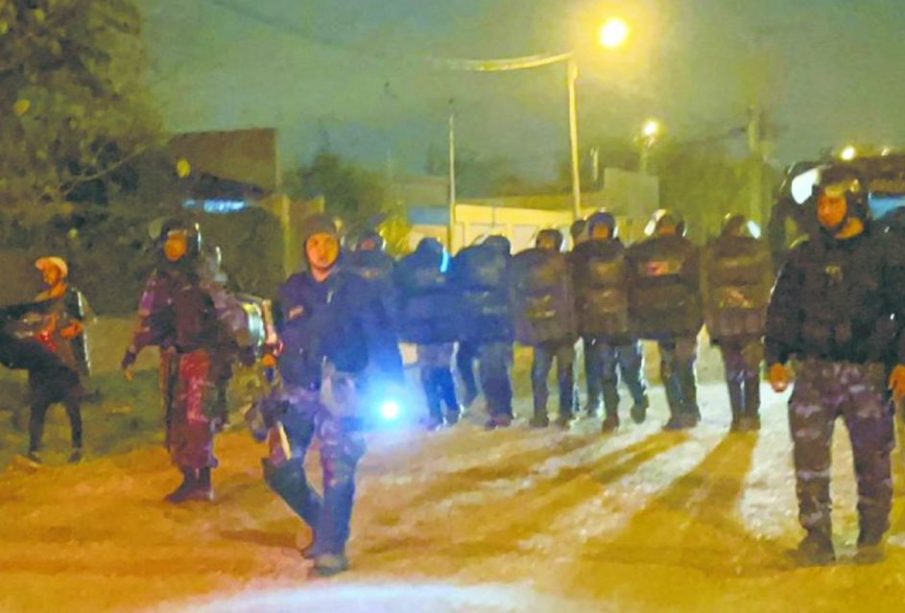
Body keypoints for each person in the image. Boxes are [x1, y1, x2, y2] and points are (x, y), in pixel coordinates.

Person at [766, 167, 905, 565]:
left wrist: (902, 361)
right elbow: (782, 310)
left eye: (834, 203)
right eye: (821, 203)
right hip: (813, 373)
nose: (825, 211)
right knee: (809, 461)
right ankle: (816, 538)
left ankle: (872, 536)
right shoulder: (804, 255)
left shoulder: (884, 253)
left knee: (874, 460)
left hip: (868, 374)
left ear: (855, 204)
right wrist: (775, 357)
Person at [265, 213, 403, 577]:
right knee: (280, 467)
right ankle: (323, 522)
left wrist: (392, 381)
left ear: (339, 244)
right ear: (304, 248)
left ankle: (331, 546)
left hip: (343, 389)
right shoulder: (291, 289)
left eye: (327, 241)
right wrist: (269, 360)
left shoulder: (358, 287)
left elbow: (382, 337)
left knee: (337, 468)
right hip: (298, 389)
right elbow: (275, 335)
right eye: (313, 243)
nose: (321, 250)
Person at [121, 219, 252, 503]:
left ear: (191, 243)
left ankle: (203, 481)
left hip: (204, 355)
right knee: (177, 420)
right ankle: (188, 479)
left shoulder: (205, 274)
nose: (172, 246)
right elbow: (147, 316)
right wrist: (132, 352)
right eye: (169, 240)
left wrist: (244, 344)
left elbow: (228, 310)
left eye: (178, 240)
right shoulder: (161, 278)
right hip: (174, 357)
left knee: (198, 419)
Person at [571, 212, 649, 433]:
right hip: (597, 323)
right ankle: (611, 415)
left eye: (604, 229)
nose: (599, 234)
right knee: (606, 371)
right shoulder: (582, 257)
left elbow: (635, 288)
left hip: (623, 322)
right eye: (596, 229)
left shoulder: (625, 255)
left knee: (630, 369)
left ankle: (639, 398)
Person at [627, 210, 703, 430]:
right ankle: (691, 408)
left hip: (659, 320)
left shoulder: (643, 252)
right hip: (685, 319)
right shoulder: (690, 250)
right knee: (685, 365)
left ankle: (677, 413)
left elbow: (632, 280)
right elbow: (698, 285)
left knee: (669, 366)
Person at [701, 214, 773, 432]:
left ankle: (737, 415)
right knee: (751, 368)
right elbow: (767, 283)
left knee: (732, 369)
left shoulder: (713, 253)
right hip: (752, 321)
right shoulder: (759, 251)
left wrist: (711, 317)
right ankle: (752, 414)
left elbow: (706, 288)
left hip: (725, 321)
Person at [24, 257, 90, 463]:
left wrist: (74, 329)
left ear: (59, 273)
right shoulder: (41, 298)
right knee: (38, 404)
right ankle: (34, 449)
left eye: (49, 272)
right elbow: (32, 323)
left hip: (65, 358)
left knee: (72, 403)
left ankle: (77, 447)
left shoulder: (72, 296)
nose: (46, 276)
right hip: (45, 359)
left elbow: (84, 320)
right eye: (44, 272)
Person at [511, 229, 576, 428]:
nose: (544, 246)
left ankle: (566, 412)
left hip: (563, 329)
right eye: (542, 242)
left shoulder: (565, 265)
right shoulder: (528, 267)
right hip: (541, 329)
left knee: (565, 373)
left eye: (549, 242)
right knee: (539, 373)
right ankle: (540, 413)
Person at [395, 238, 461, 429]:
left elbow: (399, 293)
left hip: (420, 324)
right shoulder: (446, 260)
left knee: (427, 368)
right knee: (444, 367)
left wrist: (403, 324)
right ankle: (452, 407)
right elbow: (457, 288)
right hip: (445, 322)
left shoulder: (407, 263)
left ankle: (434, 413)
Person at [450, 234, 514, 429]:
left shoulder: (468, 264)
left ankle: (496, 408)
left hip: (478, 325)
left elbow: (452, 281)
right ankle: (501, 410)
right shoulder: (509, 266)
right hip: (500, 326)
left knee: (487, 369)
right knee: (495, 369)